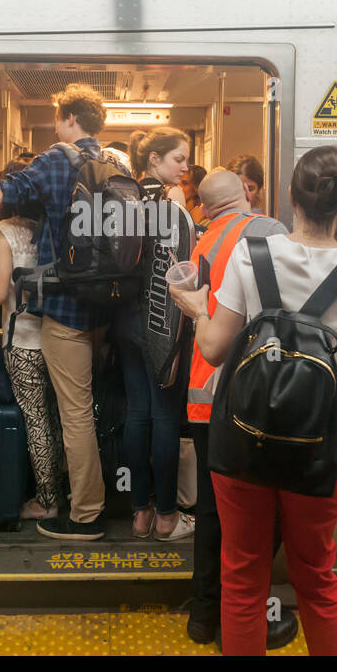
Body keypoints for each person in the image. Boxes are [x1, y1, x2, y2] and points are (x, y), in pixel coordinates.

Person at [171, 147, 337, 656]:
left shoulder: (252, 256)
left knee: (243, 579)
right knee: (317, 577)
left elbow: (213, 347)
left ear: (289, 197)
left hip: (243, 439)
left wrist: (198, 308)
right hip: (319, 444)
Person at [0, 83, 115, 541]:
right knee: (87, 407)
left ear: (68, 117)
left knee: (73, 415)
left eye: (58, 118)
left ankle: (84, 514)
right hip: (107, 308)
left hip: (65, 308)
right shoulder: (115, 162)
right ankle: (101, 497)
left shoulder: (57, 158)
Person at [181, 167, 296, 649]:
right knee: (254, 517)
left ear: (205, 208)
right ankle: (242, 615)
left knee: (212, 510)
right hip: (249, 394)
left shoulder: (201, 243)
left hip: (205, 391)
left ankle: (204, 614)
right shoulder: (267, 231)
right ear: (246, 195)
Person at [118, 127, 194, 541]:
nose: (185, 167)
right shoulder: (172, 209)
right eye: (179, 159)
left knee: (136, 414)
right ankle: (167, 517)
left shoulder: (122, 203)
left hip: (123, 321)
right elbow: (181, 273)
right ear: (154, 160)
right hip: (160, 321)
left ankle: (139, 513)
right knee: (164, 416)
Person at [0, 156, 65, 521]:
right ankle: (68, 490)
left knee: (35, 419)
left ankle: (46, 501)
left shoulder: (4, 231)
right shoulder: (50, 230)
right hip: (59, 336)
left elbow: (0, 293)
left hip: (22, 341)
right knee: (62, 417)